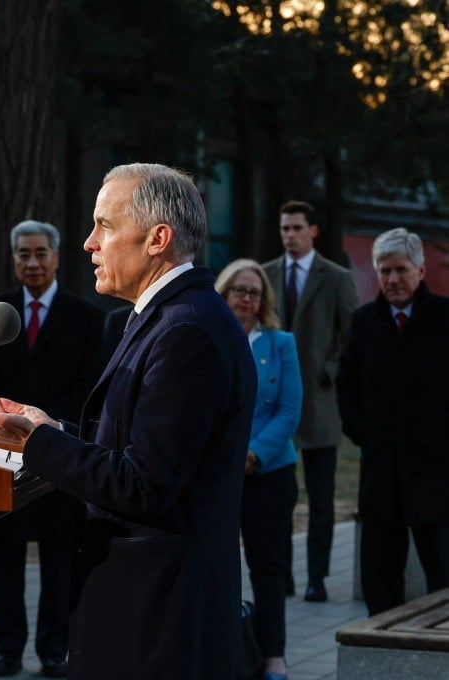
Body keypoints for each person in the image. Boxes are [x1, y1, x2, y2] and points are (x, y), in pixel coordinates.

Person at [0, 163, 257, 679]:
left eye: (104, 226)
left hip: (157, 618)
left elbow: (143, 485)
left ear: (158, 238)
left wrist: (40, 444)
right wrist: (48, 429)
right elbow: (133, 448)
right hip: (143, 606)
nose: (89, 244)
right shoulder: (164, 317)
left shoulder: (188, 332)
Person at [0, 220, 105, 678]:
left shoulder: (86, 317)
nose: (32, 263)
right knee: (3, 558)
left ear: (55, 256)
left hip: (60, 451)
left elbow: (91, 388)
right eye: (23, 254)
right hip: (2, 455)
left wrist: (51, 431)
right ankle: (6, 650)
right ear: (13, 259)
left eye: (40, 253)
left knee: (59, 557)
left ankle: (55, 649)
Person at [336, 227, 449, 617]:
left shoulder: (444, 320)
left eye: (400, 270)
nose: (392, 280)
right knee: (380, 579)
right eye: (384, 271)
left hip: (436, 474)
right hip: (380, 472)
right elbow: (347, 385)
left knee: (443, 574)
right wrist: (363, 433)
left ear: (420, 271)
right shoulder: (365, 321)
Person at [263, 200, 358, 603]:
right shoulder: (265, 274)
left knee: (320, 500)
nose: (290, 235)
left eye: (297, 228)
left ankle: (316, 578)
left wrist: (330, 370)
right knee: (279, 500)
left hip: (319, 404)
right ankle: (281, 576)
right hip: (273, 404)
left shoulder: (335, 277)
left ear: (313, 231)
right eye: (285, 228)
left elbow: (351, 336)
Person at [215, 259, 302, 680]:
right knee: (218, 562)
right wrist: (229, 457)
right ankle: (223, 650)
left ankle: (273, 655)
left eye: (254, 292)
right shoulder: (207, 338)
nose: (247, 299)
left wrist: (252, 455)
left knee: (268, 568)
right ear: (224, 292)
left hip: (269, 475)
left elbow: (289, 411)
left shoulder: (281, 343)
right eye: (239, 290)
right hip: (217, 475)